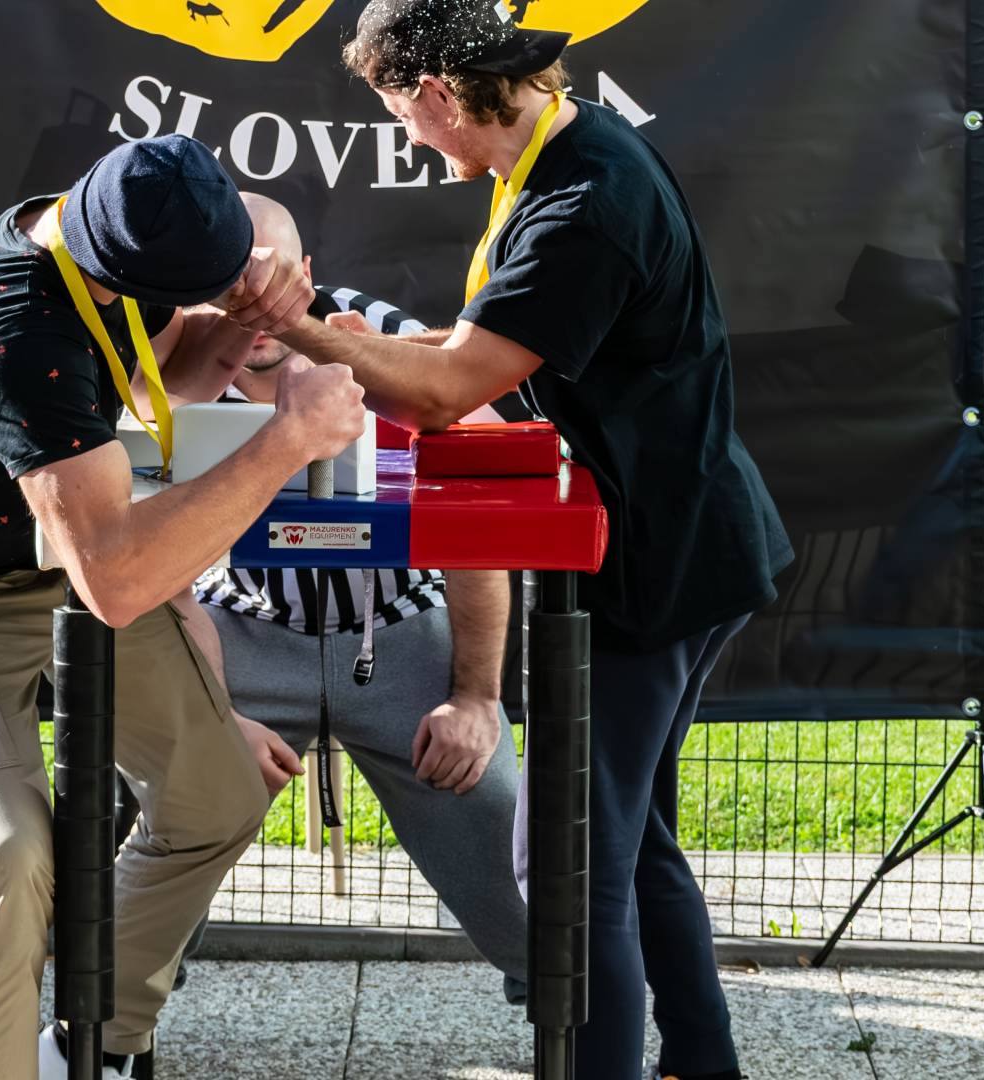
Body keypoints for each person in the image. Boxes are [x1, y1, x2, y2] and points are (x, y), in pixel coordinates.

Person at [220, 3, 794, 1077]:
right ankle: (703, 1063)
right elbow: (493, 346)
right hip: (689, 544)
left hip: (651, 564)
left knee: (575, 863)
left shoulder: (584, 198)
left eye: (401, 115)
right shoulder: (564, 156)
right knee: (632, 839)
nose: (408, 138)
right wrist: (382, 344)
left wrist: (290, 323)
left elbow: (445, 397)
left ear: (437, 93)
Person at [0, 134, 359, 1079]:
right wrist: (290, 435)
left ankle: (96, 1042)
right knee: (8, 852)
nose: (216, 298)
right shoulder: (12, 338)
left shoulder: (124, 209)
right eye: (206, 288)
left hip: (66, 564)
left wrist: (255, 302)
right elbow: (117, 579)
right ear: (127, 271)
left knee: (216, 796)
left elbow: (172, 365)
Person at [186, 193, 529, 1002]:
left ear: (307, 276)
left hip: (403, 630)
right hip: (240, 629)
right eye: (228, 291)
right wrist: (204, 716)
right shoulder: (175, 356)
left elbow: (478, 513)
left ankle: (583, 1030)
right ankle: (108, 1027)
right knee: (148, 843)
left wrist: (476, 697)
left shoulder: (376, 332)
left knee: (520, 862)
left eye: (272, 284)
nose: (255, 311)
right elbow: (127, 547)